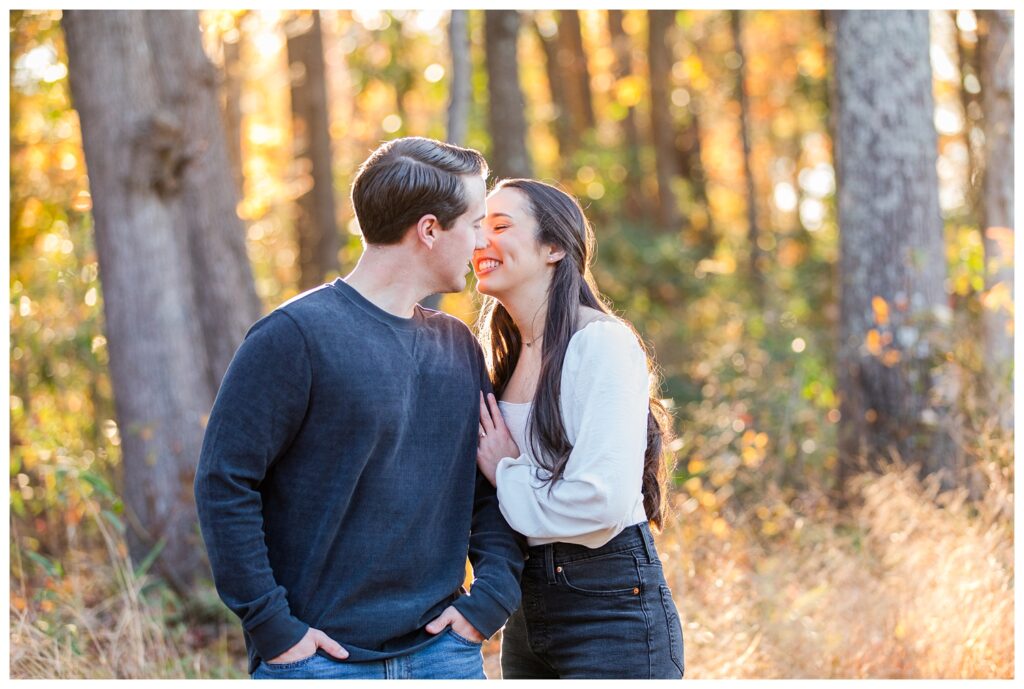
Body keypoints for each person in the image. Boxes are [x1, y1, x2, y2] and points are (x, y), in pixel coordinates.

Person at [194, 137, 526, 680]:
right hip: (319, 661)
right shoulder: (293, 337)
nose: (479, 242)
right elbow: (224, 483)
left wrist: (488, 601)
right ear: (429, 230)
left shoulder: (458, 346)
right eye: (471, 223)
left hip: (443, 655)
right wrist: (274, 628)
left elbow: (487, 486)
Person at [473, 179, 685, 679]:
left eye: (500, 226)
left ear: (553, 248)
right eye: (477, 228)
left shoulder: (601, 344)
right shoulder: (502, 358)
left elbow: (602, 500)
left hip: (610, 607)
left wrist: (507, 473)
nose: (480, 241)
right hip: (527, 608)